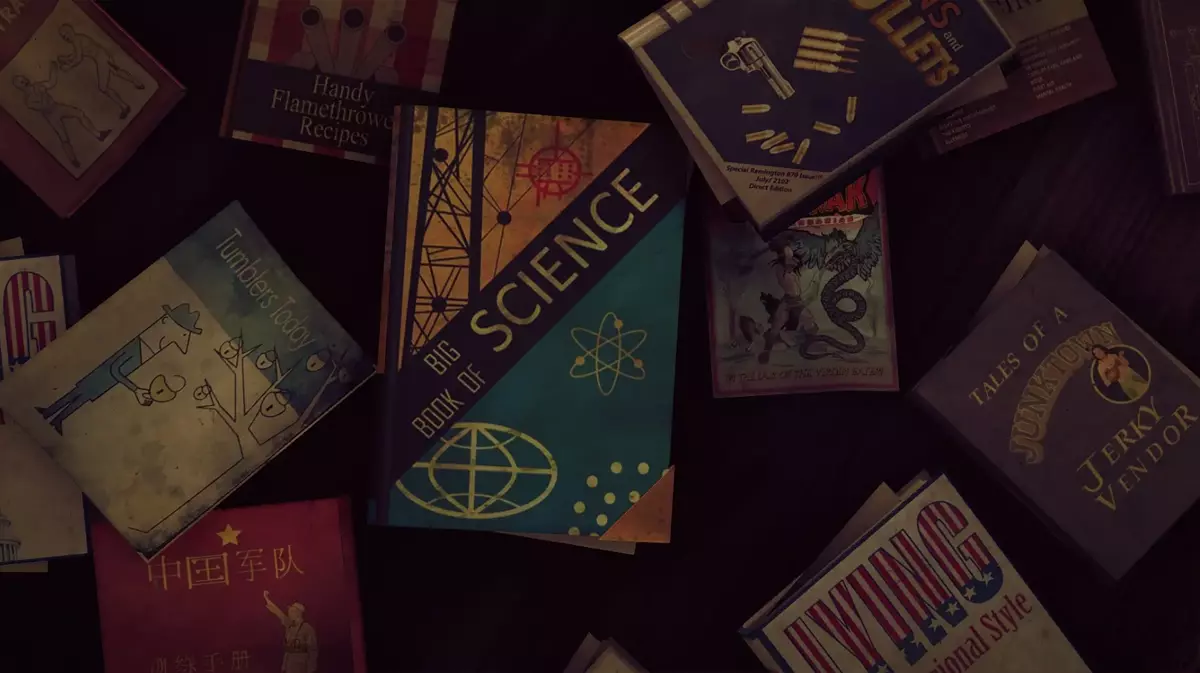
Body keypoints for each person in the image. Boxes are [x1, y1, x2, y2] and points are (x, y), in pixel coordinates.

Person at [35, 304, 202, 434]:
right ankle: (49, 411)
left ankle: (57, 419)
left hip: (105, 383)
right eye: (182, 332)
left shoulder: (145, 351)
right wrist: (135, 389)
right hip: (100, 377)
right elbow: (115, 369)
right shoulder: (137, 347)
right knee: (76, 394)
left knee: (81, 399)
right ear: (166, 322)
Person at [11, 64, 109, 168]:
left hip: (57, 107)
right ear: (20, 87)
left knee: (79, 113)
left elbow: (51, 83)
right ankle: (73, 160)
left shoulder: (37, 86)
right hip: (51, 115)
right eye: (22, 82)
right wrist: (42, 94)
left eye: (24, 79)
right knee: (63, 136)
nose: (25, 81)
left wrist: (54, 70)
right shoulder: (29, 101)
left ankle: (98, 134)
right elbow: (43, 106)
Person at [56, 23, 145, 119]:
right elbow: (75, 55)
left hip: (101, 58)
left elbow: (78, 58)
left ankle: (124, 106)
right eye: (64, 37)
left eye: (66, 34)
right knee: (117, 72)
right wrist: (65, 59)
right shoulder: (78, 39)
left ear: (71, 30)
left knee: (103, 87)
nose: (66, 37)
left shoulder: (77, 40)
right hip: (103, 55)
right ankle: (137, 82)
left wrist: (68, 66)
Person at [760, 241, 815, 363]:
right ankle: (766, 352)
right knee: (776, 326)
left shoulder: (793, 271)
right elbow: (787, 261)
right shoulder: (780, 270)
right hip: (788, 301)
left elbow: (796, 261)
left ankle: (809, 347)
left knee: (810, 323)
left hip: (797, 301)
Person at [264, 590, 318, 673]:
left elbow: (313, 650)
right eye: (289, 611)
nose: (289, 613)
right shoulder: (289, 625)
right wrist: (266, 598)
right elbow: (278, 612)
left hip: (302, 666)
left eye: (292, 611)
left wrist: (311, 669)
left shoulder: (307, 628)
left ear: (298, 613)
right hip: (289, 664)